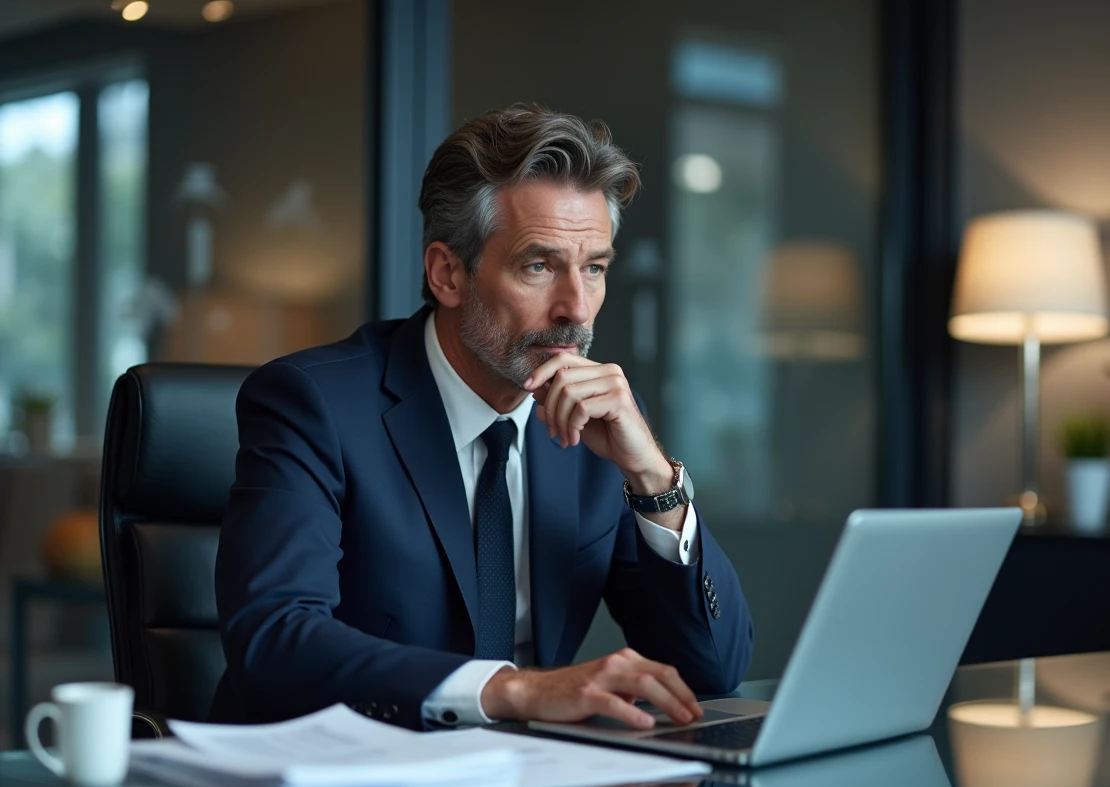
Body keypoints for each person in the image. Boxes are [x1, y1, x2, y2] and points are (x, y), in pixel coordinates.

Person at [209, 105, 753, 731]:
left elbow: (713, 669)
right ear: (447, 274)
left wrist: (654, 479)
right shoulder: (312, 405)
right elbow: (273, 643)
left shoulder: (599, 424)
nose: (576, 308)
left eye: (595, 267)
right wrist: (515, 691)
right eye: (539, 266)